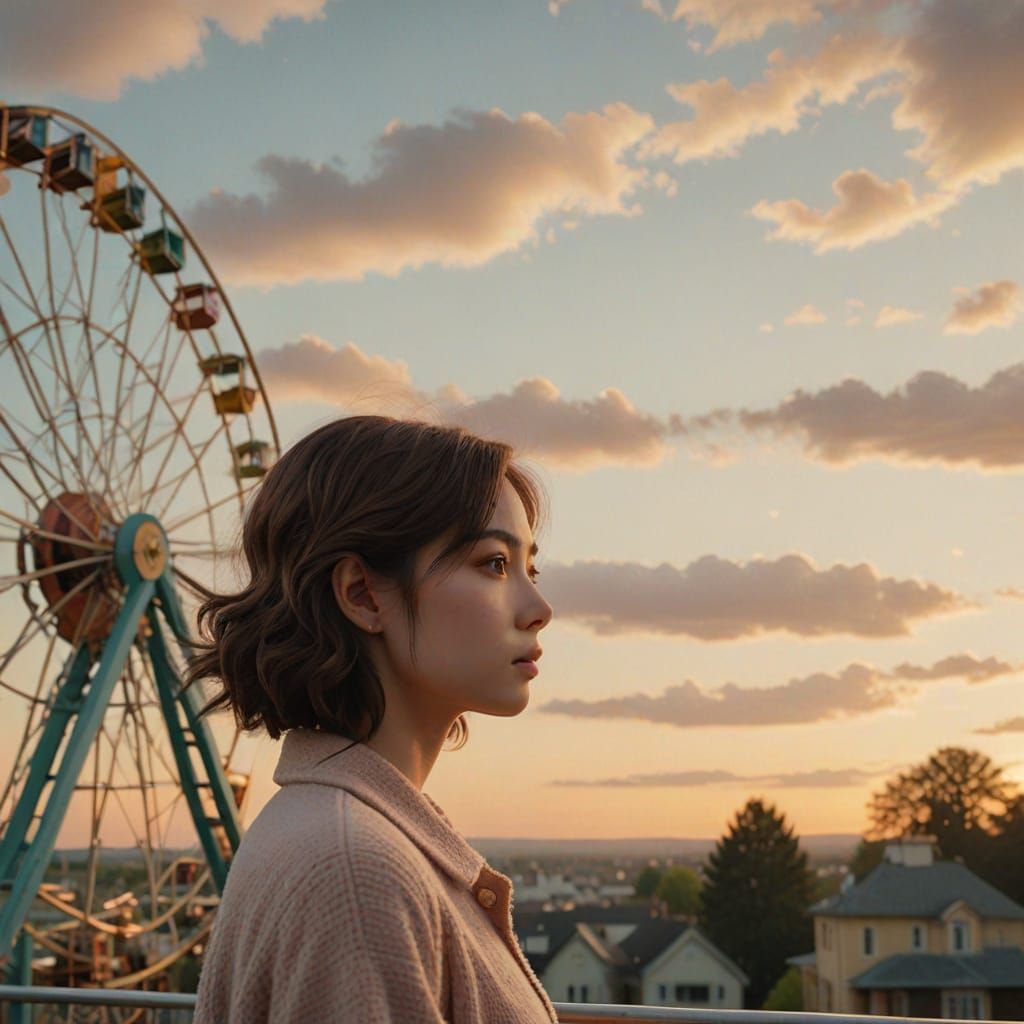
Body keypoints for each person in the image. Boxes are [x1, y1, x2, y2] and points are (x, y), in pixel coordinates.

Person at [190, 415, 557, 1023]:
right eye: (494, 563)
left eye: (530, 570)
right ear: (363, 595)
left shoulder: (326, 830)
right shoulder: (358, 876)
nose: (539, 609)